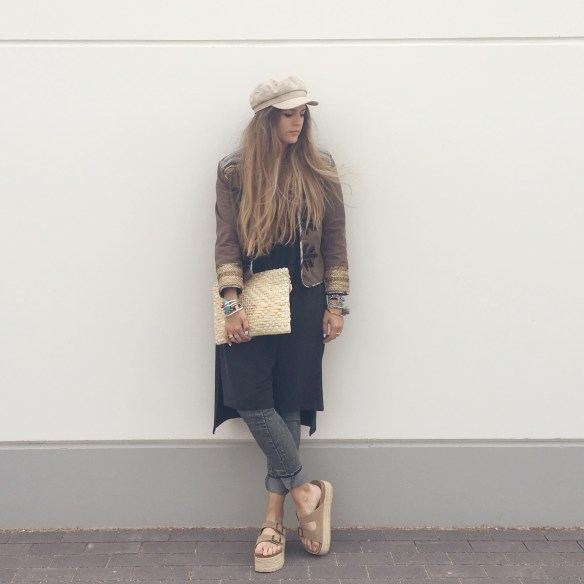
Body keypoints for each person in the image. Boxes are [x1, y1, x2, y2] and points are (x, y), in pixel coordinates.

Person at [212, 74, 350, 573]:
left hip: (307, 297)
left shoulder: (319, 166)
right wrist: (232, 305)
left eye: (302, 113)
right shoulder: (234, 171)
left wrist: (336, 304)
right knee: (250, 396)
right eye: (288, 114)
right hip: (253, 297)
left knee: (288, 401)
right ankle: (306, 492)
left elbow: (335, 239)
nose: (298, 121)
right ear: (266, 119)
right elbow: (227, 240)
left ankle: (273, 521)